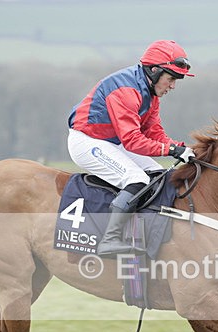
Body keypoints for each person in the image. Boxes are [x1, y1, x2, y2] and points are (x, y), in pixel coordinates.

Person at [67, 40, 196, 256]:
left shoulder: (150, 93)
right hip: (87, 141)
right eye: (171, 79)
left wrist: (182, 148)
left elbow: (154, 133)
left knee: (158, 176)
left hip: (112, 141)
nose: (173, 86)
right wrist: (171, 151)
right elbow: (133, 141)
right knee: (136, 180)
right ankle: (110, 239)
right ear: (155, 71)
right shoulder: (126, 91)